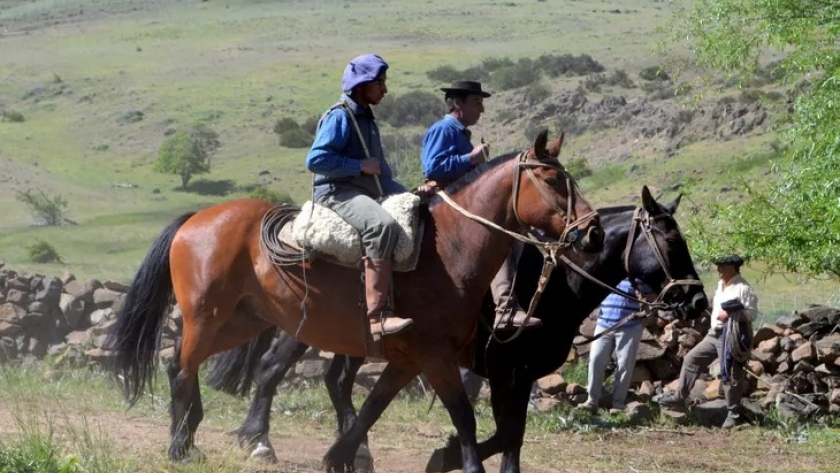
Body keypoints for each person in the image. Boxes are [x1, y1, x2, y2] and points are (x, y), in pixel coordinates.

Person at [305, 53, 413, 338]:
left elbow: (381, 174)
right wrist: (359, 166)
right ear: (362, 85)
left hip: (364, 188)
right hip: (337, 191)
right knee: (382, 226)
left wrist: (413, 194)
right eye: (380, 83)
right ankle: (378, 316)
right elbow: (315, 160)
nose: (385, 90)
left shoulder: (367, 118)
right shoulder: (341, 115)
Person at [420, 80, 541, 329]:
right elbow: (432, 167)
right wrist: (470, 158)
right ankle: (504, 308)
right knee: (496, 239)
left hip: (460, 203)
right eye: (476, 103)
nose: (482, 110)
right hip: (448, 204)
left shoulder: (461, 133)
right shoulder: (444, 129)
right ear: (457, 103)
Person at [654, 254, 758, 428]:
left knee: (730, 373)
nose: (719, 269)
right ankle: (679, 396)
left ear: (732, 268)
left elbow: (752, 314)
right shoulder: (720, 285)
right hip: (714, 333)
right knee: (691, 359)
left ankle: (734, 413)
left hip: (731, 335)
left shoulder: (743, 289)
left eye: (722, 266)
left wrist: (732, 314)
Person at [578, 278, 656, 414]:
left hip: (630, 325)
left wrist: (644, 303)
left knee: (625, 365)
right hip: (604, 323)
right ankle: (592, 401)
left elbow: (654, 297)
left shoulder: (639, 275)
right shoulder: (611, 271)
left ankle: (618, 404)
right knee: (596, 360)